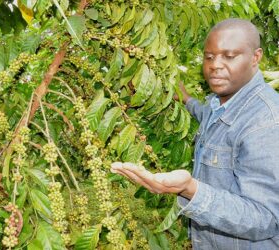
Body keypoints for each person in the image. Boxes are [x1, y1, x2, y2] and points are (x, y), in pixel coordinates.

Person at [111, 18, 279, 249]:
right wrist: (186, 99)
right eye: (209, 57)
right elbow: (206, 114)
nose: (215, 65)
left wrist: (190, 189)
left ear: (255, 57)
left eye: (229, 56)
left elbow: (265, 218)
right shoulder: (220, 102)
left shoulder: (267, 122)